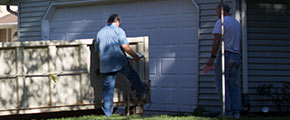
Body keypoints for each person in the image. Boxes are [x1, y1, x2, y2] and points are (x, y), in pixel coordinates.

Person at [95, 14, 147, 117]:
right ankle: (142, 93)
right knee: (132, 75)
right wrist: (135, 56)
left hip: (105, 65)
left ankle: (107, 114)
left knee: (108, 90)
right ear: (117, 22)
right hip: (119, 62)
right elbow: (125, 46)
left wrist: (102, 64)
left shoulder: (99, 33)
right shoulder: (119, 31)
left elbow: (98, 53)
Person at [204, 4, 241, 119]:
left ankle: (227, 112)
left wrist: (212, 57)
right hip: (236, 55)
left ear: (221, 11)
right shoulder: (237, 23)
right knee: (233, 85)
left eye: (216, 11)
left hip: (226, 55)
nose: (216, 13)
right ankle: (236, 112)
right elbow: (239, 41)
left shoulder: (221, 22)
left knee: (222, 84)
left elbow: (217, 40)